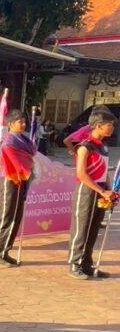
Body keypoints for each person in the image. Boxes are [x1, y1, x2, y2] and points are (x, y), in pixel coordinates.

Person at [68, 109, 118, 279]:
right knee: (81, 229)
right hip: (86, 191)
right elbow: (81, 174)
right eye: (109, 125)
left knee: (93, 229)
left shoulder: (103, 146)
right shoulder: (84, 147)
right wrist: (102, 191)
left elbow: (104, 172)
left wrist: (110, 192)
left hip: (101, 191)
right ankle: (74, 264)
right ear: (98, 126)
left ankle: (86, 264)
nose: (112, 128)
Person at [0, 110, 37, 267]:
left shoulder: (24, 140)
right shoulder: (9, 142)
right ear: (10, 124)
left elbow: (30, 157)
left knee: (16, 217)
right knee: (6, 217)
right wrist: (28, 172)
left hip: (21, 180)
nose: (23, 124)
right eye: (20, 122)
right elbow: (17, 163)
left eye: (24, 121)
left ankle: (5, 251)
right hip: (9, 180)